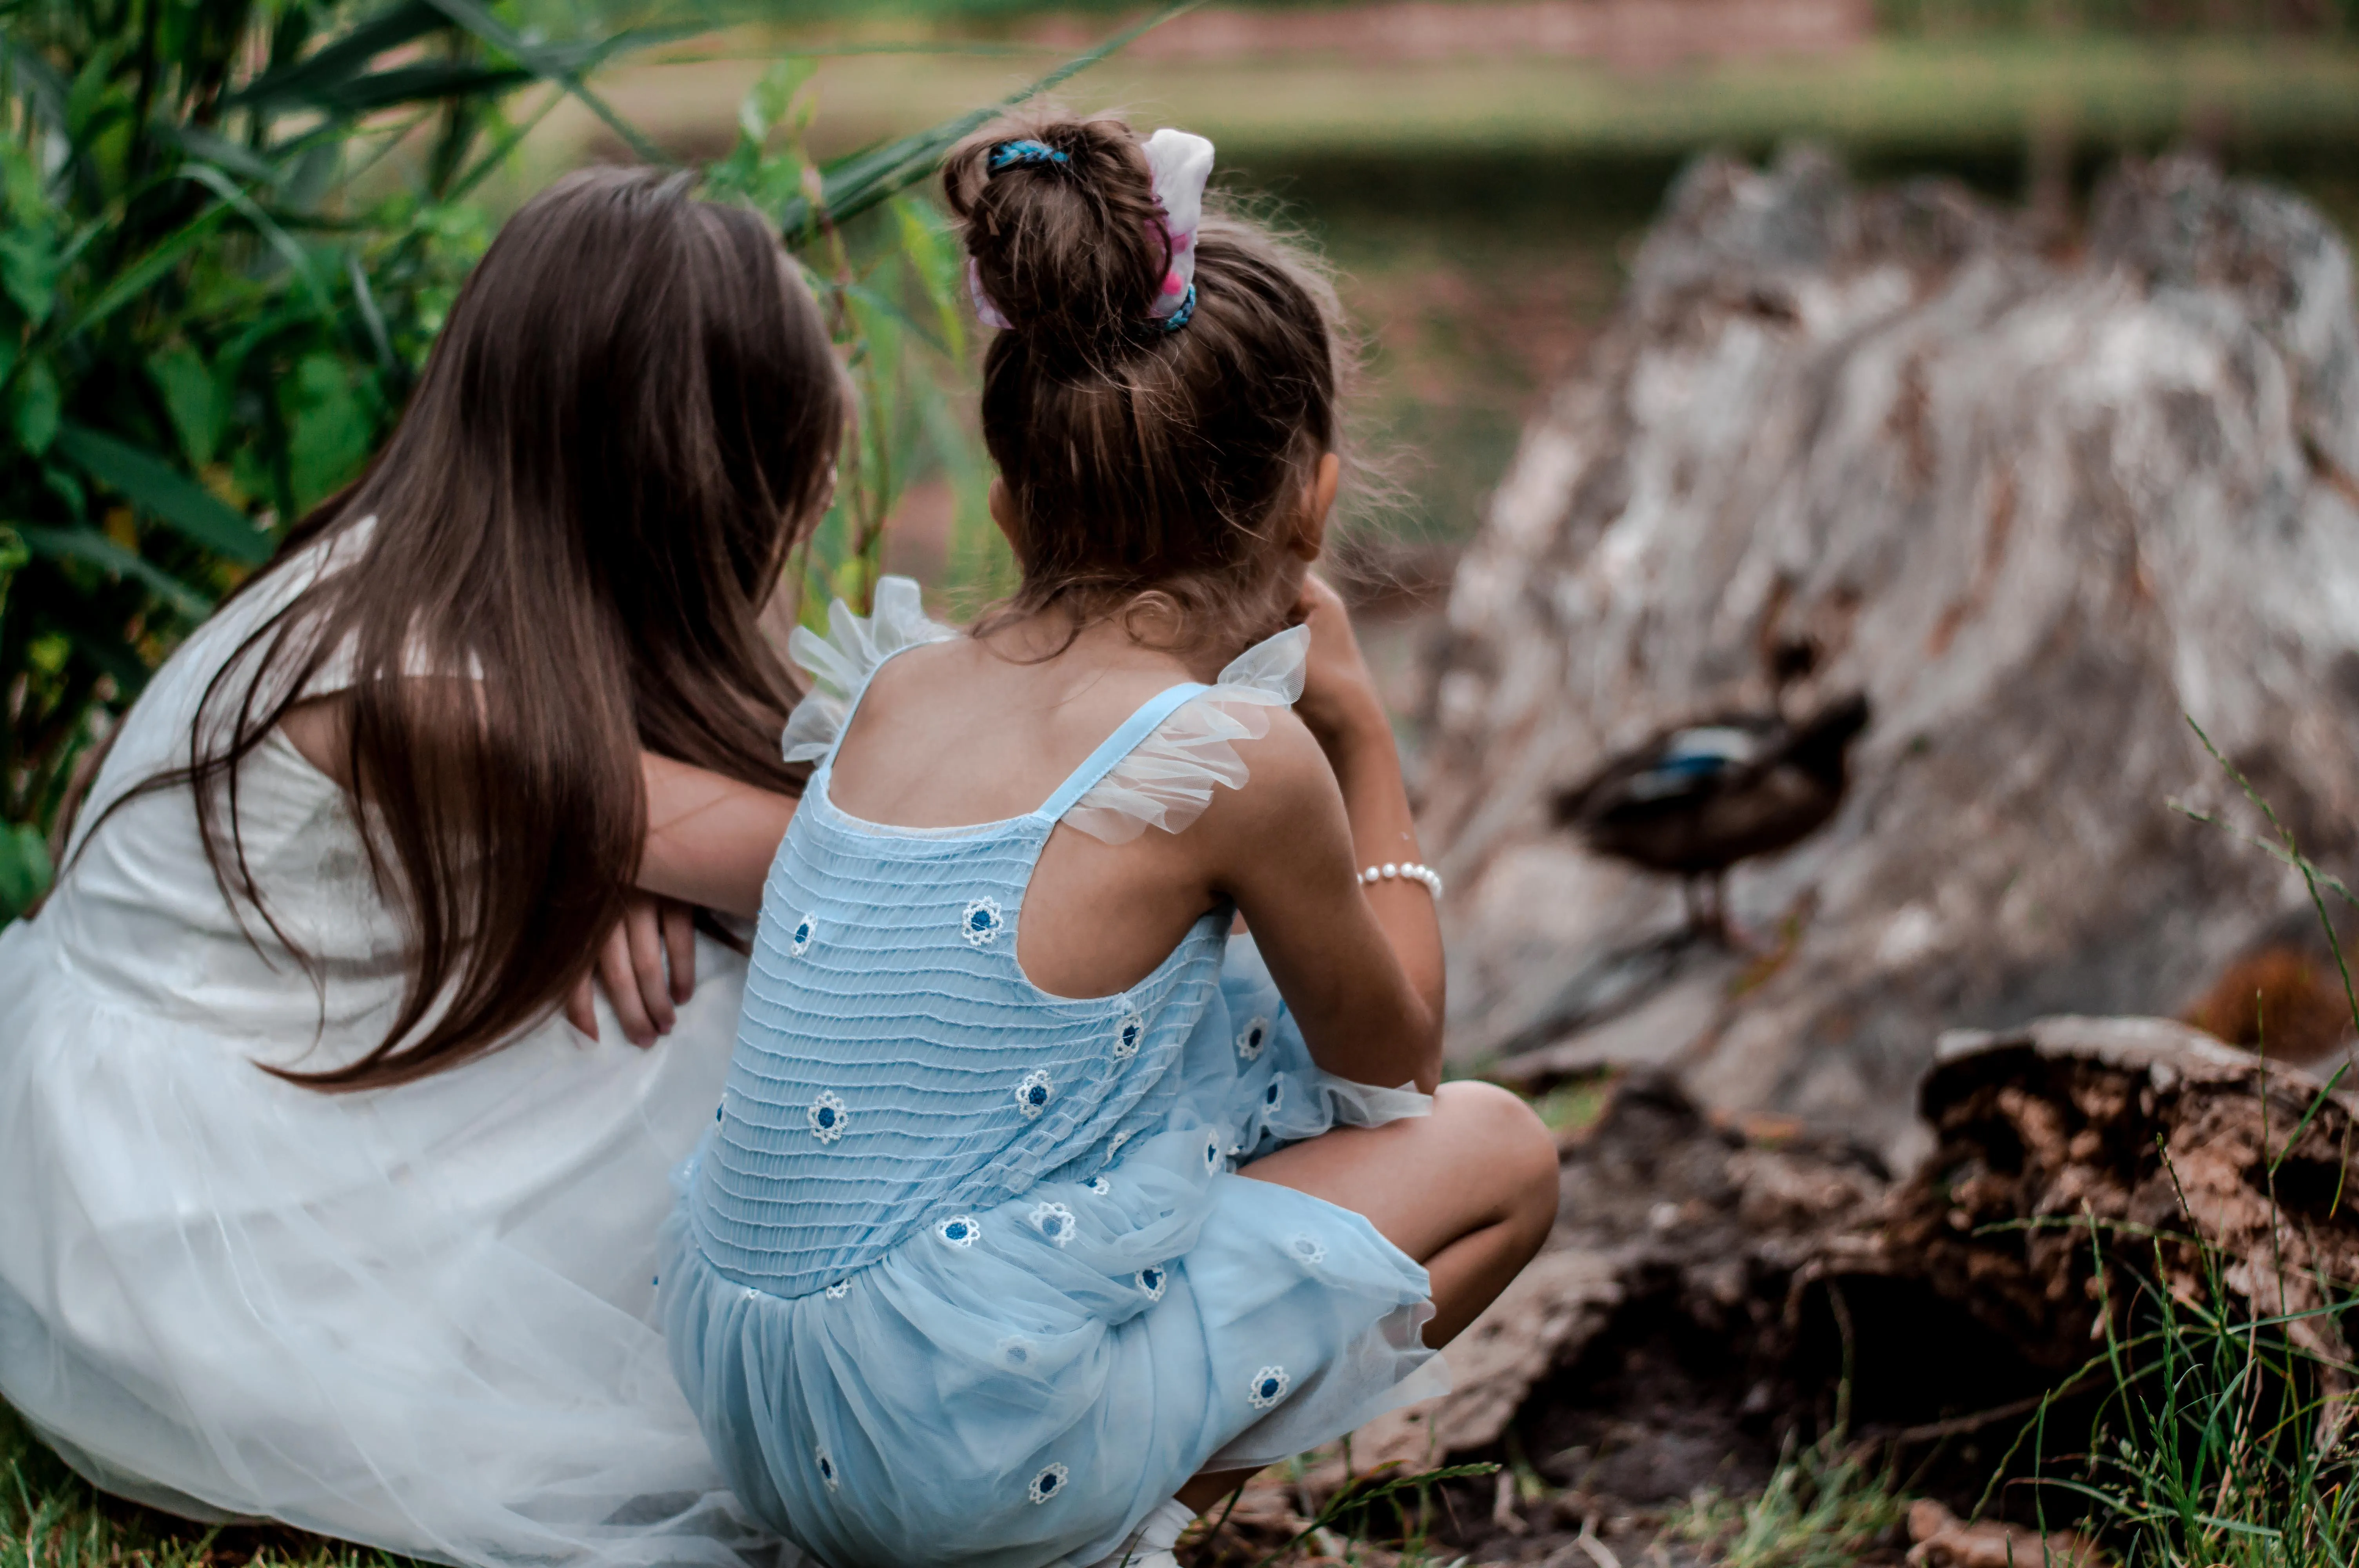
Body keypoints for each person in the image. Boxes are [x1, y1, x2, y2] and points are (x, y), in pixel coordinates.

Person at [655, 116, 1561, 1568]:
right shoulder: (1232, 761)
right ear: (1313, 500)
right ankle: (1115, 1537)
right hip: (947, 1446)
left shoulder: (895, 688)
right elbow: (1398, 1076)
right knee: (1506, 1155)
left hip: (762, 1407)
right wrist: (1364, 742)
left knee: (1221, 1030)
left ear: (1012, 495)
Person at [0, 168, 837, 1567]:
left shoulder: (417, 581)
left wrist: (616, 849)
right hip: (168, 1230)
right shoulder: (421, 688)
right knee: (721, 1036)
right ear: (687, 488)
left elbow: (661, 818)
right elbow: (853, 866)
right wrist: (630, 845)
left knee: (698, 990)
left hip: (178, 1123)